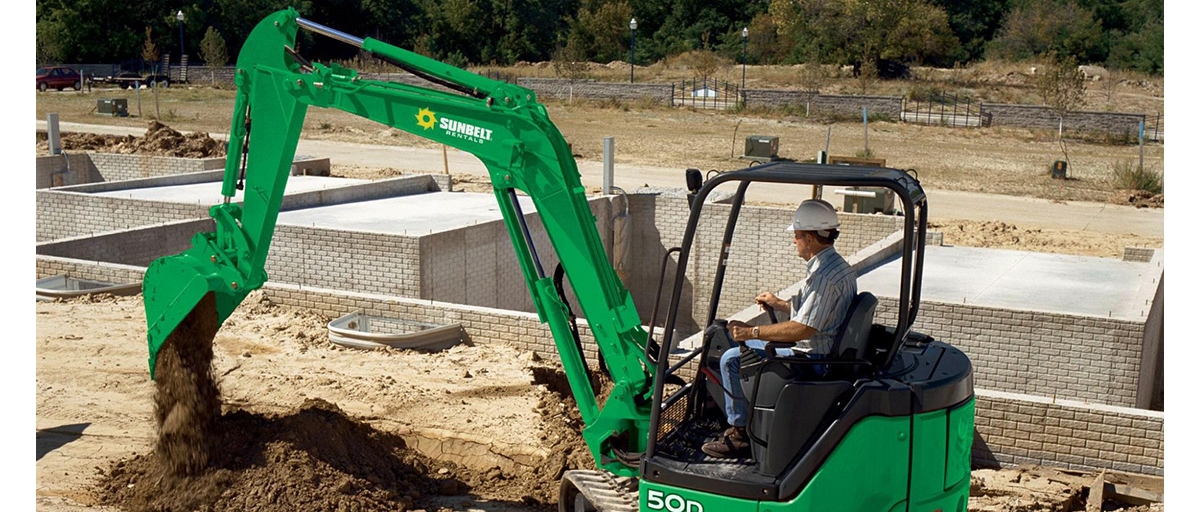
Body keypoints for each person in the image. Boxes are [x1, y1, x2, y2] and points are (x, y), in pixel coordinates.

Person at [701, 199, 858, 459]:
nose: (794, 241)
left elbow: (803, 329)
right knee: (739, 350)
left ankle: (739, 433)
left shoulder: (823, 278)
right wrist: (780, 304)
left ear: (809, 237)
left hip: (812, 360)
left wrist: (751, 332)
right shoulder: (837, 268)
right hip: (821, 348)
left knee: (731, 359)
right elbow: (818, 314)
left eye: (796, 236)